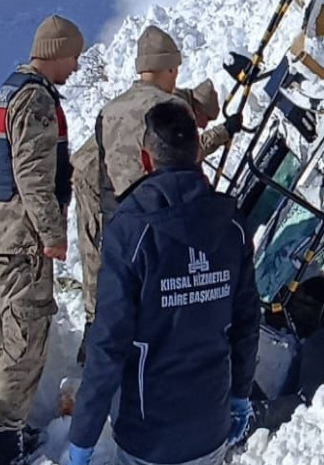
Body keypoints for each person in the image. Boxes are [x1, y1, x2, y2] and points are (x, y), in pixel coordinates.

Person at [67, 101, 260, 465]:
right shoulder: (230, 224)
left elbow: (108, 343)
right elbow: (247, 322)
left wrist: (83, 437)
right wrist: (240, 395)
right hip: (210, 425)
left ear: (146, 158)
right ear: (198, 152)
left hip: (148, 434)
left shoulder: (130, 231)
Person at [74, 54, 236, 363]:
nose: (202, 126)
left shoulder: (169, 103)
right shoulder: (172, 109)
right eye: (203, 121)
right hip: (98, 177)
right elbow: (182, 154)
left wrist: (224, 132)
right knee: (102, 257)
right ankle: (95, 337)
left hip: (113, 176)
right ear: (196, 111)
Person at [0, 14, 83, 465]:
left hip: (7, 232)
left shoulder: (11, 90)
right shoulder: (37, 101)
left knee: (13, 334)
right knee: (24, 338)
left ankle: (10, 426)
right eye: (74, 58)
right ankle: (8, 441)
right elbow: (33, 176)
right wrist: (52, 233)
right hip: (23, 239)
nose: (76, 68)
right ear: (55, 52)